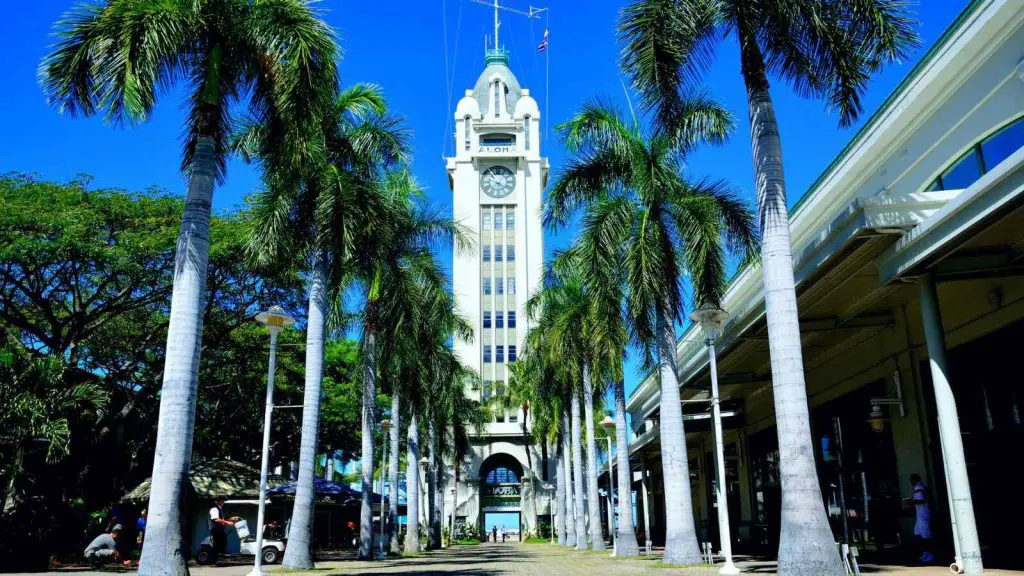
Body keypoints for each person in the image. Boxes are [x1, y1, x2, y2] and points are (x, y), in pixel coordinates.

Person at [904, 473, 933, 563]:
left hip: (923, 516)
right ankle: (922, 553)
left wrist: (910, 502)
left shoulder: (918, 488)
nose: (910, 482)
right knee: (917, 534)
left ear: (914, 480)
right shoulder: (923, 486)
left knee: (925, 536)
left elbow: (922, 500)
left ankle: (929, 554)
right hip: (921, 516)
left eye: (911, 480)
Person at [208, 497, 236, 562]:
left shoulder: (220, 509)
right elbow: (216, 519)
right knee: (217, 544)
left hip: (219, 529)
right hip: (216, 529)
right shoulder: (214, 508)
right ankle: (213, 561)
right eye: (222, 501)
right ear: (218, 501)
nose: (223, 502)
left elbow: (221, 519)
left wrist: (230, 519)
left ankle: (218, 559)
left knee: (222, 543)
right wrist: (228, 522)